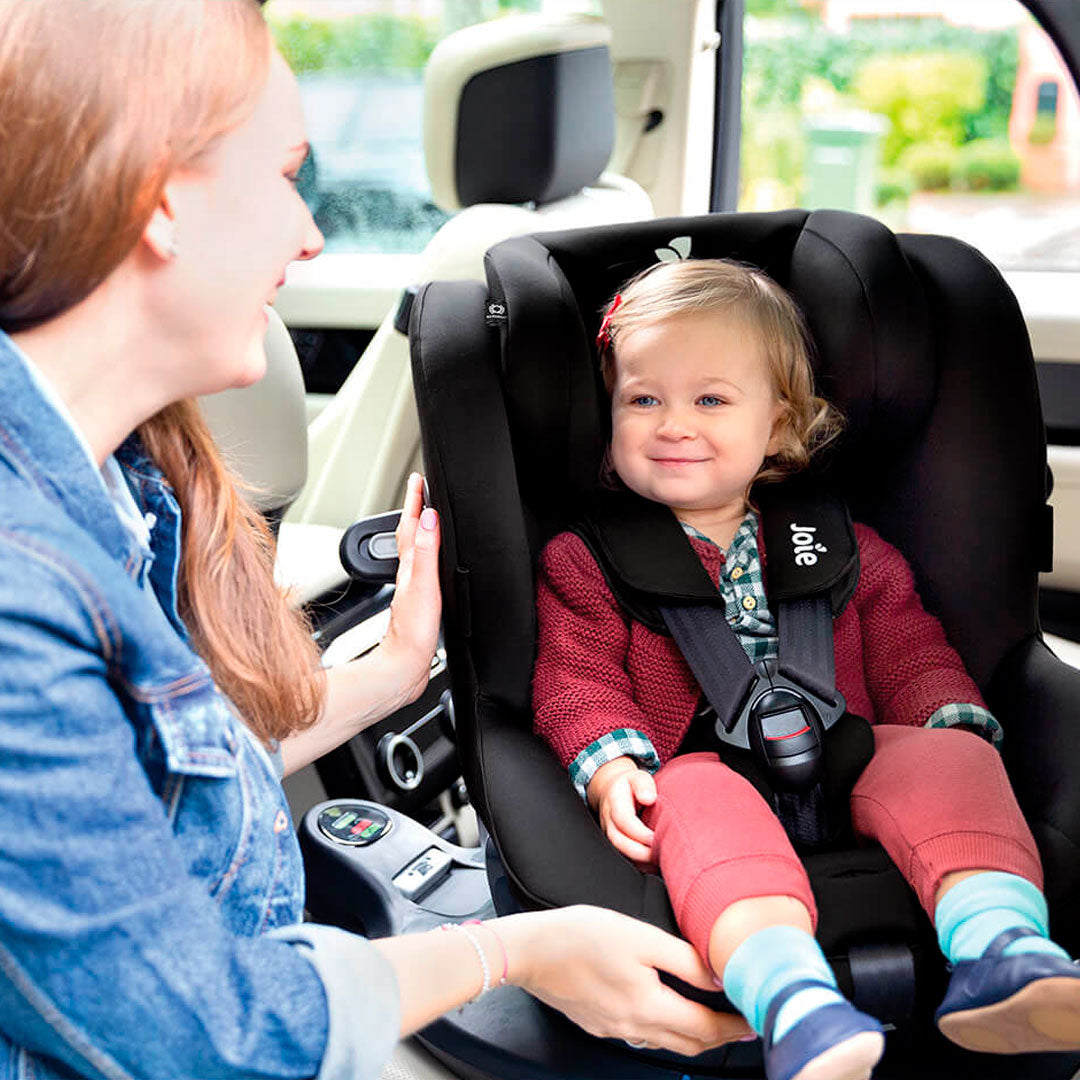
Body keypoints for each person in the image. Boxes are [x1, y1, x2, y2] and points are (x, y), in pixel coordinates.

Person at [0, 3, 757, 1078]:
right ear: (159, 197)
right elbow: (205, 1036)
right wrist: (513, 952)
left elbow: (143, 795)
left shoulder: (121, 488)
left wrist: (394, 669)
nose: (309, 234)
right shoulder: (20, 587)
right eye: (285, 176)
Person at [532, 258, 1080, 1080]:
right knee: (688, 793)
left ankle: (1004, 951)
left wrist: (947, 715)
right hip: (700, 763)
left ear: (780, 426)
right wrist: (613, 763)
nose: (673, 424)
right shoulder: (590, 561)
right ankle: (793, 1001)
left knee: (951, 756)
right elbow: (576, 677)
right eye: (643, 400)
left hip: (849, 750)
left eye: (711, 399)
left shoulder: (838, 547)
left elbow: (906, 646)